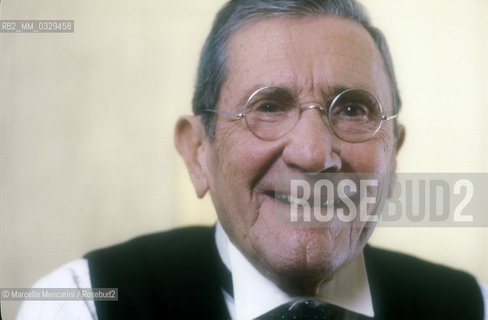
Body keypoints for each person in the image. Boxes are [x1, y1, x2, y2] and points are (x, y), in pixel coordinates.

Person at [17, 0, 487, 319]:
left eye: (351, 109)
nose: (312, 153)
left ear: (393, 154)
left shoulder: (471, 306)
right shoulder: (85, 303)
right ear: (199, 152)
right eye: (268, 106)